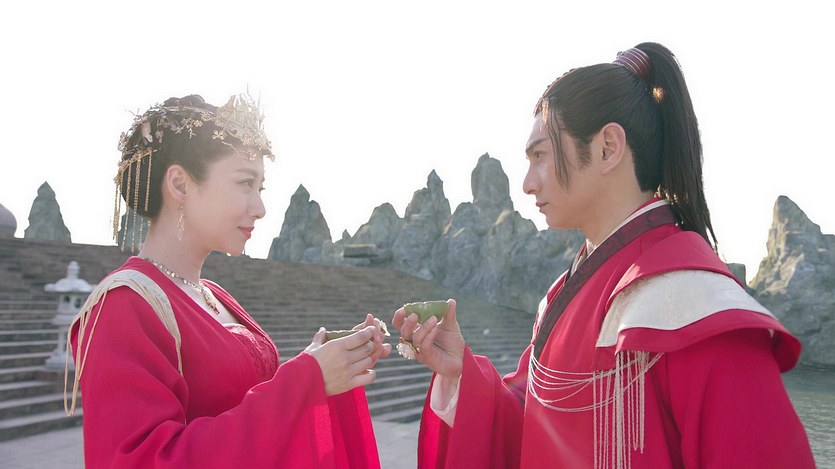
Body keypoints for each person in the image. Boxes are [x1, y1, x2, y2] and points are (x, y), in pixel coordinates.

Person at [393, 43, 815, 468]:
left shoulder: (698, 308)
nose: (527, 183)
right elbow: (537, 428)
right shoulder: (563, 294)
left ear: (608, 147)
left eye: (539, 156)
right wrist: (461, 374)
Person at [66, 93, 391, 468]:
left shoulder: (213, 294)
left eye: (260, 188)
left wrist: (325, 364)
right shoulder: (125, 303)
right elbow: (141, 461)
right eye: (244, 183)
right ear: (180, 185)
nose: (260, 208)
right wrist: (307, 380)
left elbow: (252, 402)